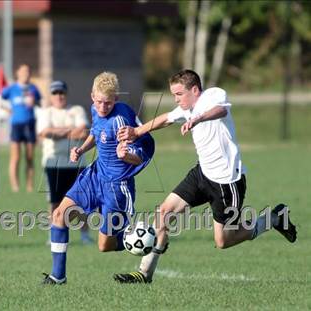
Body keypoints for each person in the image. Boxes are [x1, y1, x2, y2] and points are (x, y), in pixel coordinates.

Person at [113, 69, 297, 284]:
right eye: (173, 95)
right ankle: (144, 273)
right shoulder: (187, 107)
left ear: (194, 89)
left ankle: (273, 219)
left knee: (222, 241)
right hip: (202, 174)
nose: (176, 99)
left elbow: (221, 111)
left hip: (226, 182)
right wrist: (137, 132)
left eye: (179, 94)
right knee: (164, 212)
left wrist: (198, 118)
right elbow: (166, 119)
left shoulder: (213, 95)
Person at [42, 72, 155, 284]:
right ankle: (57, 276)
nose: (103, 107)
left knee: (105, 246)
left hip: (117, 186)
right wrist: (82, 148)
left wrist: (127, 155)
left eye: (109, 103)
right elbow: (96, 131)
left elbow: (140, 155)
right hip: (94, 177)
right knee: (59, 215)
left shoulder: (122, 120)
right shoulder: (95, 109)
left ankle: (147, 239)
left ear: (116, 100)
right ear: (92, 96)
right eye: (100, 102)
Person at [37, 80, 93, 245]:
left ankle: (84, 235)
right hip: (54, 164)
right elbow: (45, 132)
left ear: (66, 93)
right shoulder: (46, 113)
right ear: (51, 95)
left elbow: (83, 132)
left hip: (77, 163)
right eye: (55, 93)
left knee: (82, 202)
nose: (59, 96)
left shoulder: (76, 110)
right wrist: (70, 130)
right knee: (55, 201)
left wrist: (58, 131)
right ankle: (53, 234)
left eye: (61, 92)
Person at [1, 64, 41, 192]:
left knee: (29, 157)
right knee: (16, 157)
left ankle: (29, 186)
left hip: (29, 124)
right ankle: (15, 186)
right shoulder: (12, 89)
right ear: (17, 73)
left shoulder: (34, 88)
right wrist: (7, 110)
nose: (26, 73)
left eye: (28, 71)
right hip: (16, 125)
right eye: (23, 71)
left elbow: (41, 102)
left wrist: (34, 102)